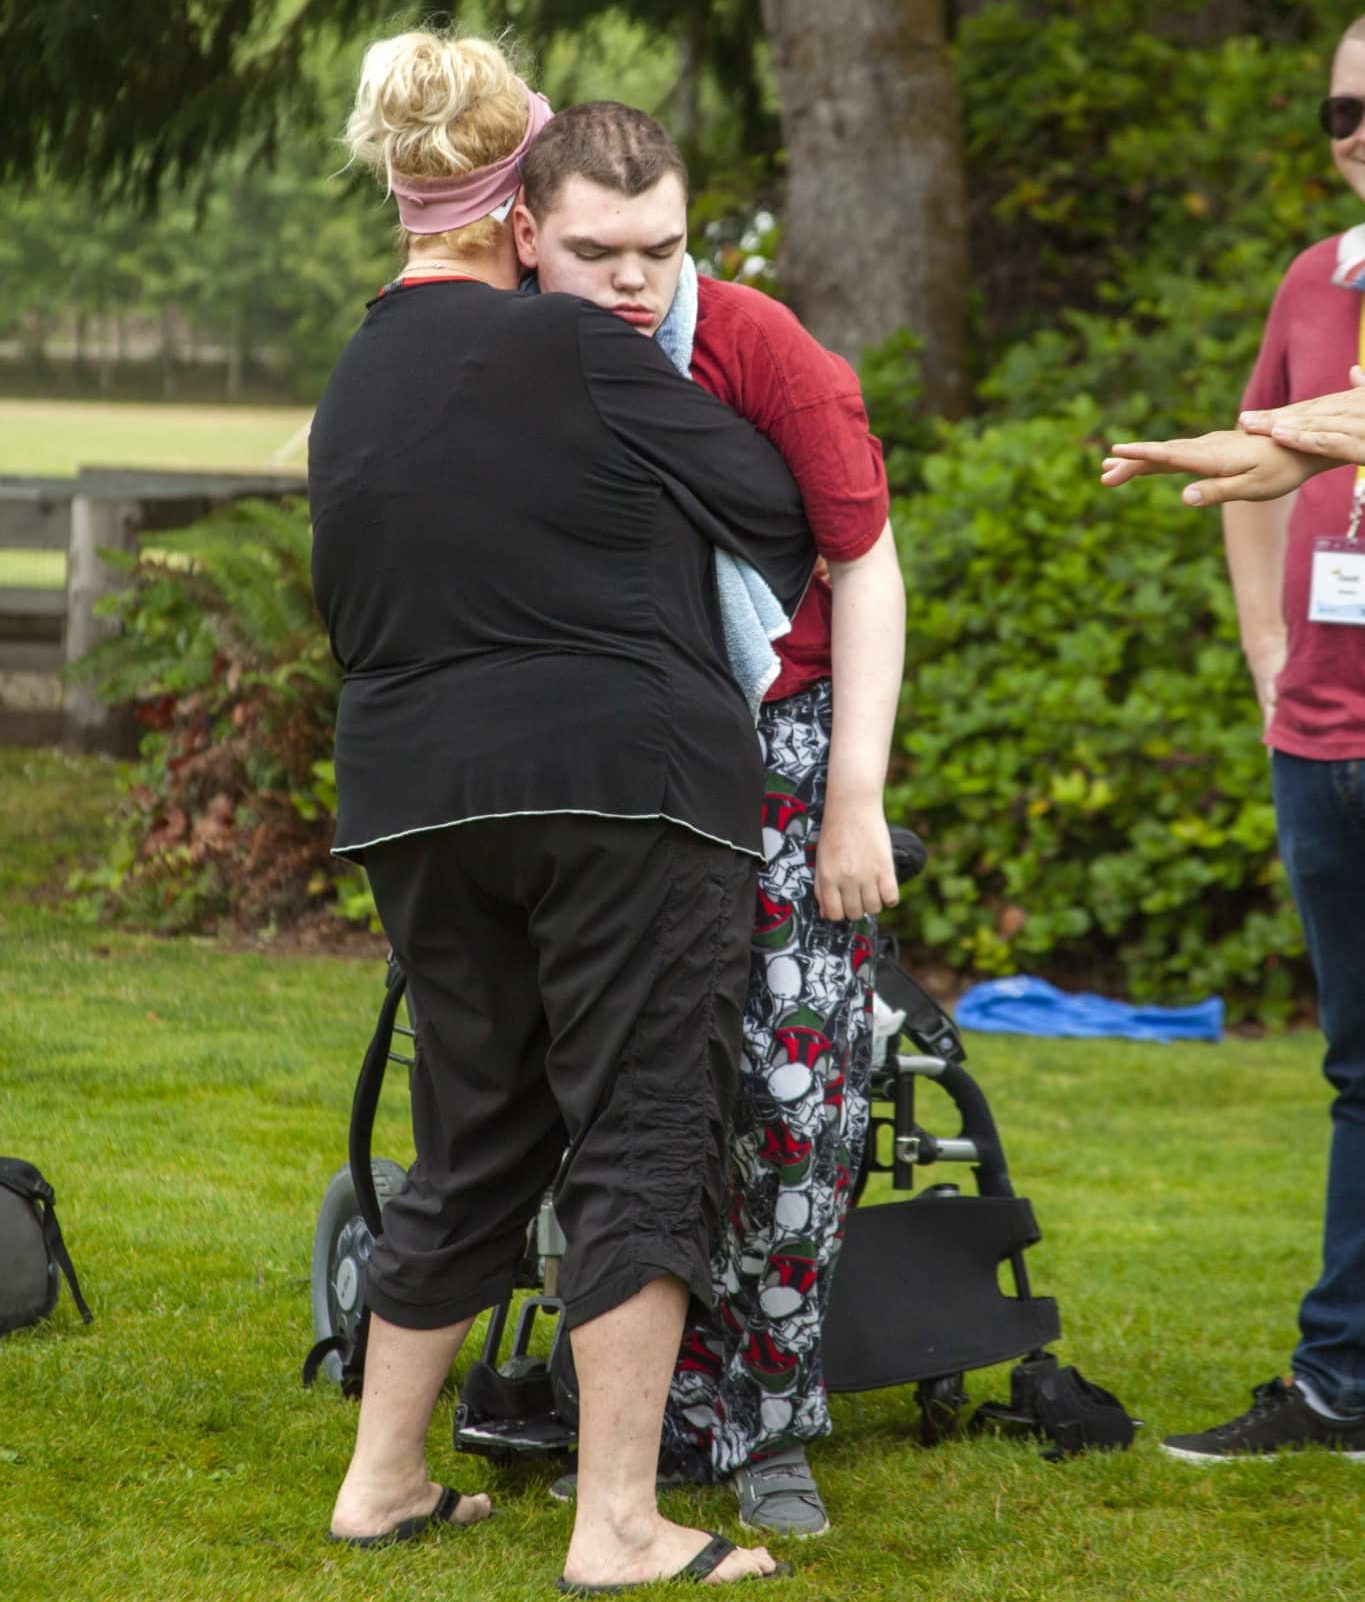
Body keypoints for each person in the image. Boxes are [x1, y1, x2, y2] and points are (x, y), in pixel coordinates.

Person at [309, 30, 823, 1587]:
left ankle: (382, 1479)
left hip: (412, 795)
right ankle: (618, 1522)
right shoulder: (582, 348)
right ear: (517, 200)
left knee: (472, 1122)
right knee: (641, 1121)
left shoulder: (354, 377)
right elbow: (778, 509)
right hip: (627, 786)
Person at [515, 102, 905, 1533]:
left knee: (793, 1098)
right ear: (525, 236)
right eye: (595, 252)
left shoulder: (758, 346)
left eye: (660, 248)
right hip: (604, 744)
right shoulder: (505, 345)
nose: (633, 280)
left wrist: (850, 800)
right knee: (625, 1088)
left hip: (781, 736)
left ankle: (767, 1418)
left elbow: (865, 565)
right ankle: (645, 1407)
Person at [1101, 19, 1365, 1461]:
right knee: (1358, 1069)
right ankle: (1341, 1385)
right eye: (1339, 110)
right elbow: (1264, 451)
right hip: (1320, 733)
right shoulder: (1316, 278)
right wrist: (1268, 654)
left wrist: (1289, 439)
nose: (1359, 131)